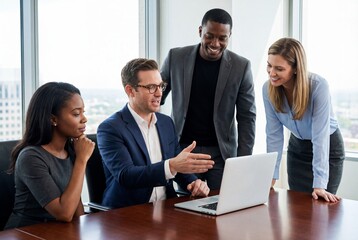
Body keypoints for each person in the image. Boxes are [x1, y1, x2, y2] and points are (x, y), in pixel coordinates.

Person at [97, 58, 214, 209]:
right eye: (151, 87)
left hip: (167, 208)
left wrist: (193, 183)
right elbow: (126, 175)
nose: (159, 93)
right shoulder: (110, 128)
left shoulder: (166, 123)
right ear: (130, 90)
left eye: (160, 86)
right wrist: (171, 165)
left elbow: (177, 167)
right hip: (129, 212)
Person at [160, 8, 256, 190]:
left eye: (222, 38)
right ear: (200, 31)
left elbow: (247, 117)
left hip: (220, 153)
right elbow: (156, 98)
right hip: (184, 149)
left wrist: (243, 162)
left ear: (229, 36)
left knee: (222, 205)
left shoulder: (241, 66)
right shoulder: (176, 57)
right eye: (209, 36)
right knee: (185, 209)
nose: (215, 43)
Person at [262, 37, 344, 202]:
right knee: (297, 210)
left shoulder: (318, 86)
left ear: (295, 69)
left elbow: (320, 137)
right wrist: (271, 176)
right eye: (269, 65)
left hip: (327, 148)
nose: (272, 73)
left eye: (279, 68)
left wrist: (320, 183)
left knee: (320, 209)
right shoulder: (268, 89)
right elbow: (274, 135)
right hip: (297, 149)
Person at [5, 82, 95, 229]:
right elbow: (64, 213)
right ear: (53, 119)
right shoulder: (31, 157)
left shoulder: (71, 151)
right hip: (28, 232)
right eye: (76, 114)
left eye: (83, 112)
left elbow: (77, 212)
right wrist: (81, 160)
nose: (84, 119)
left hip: (60, 231)